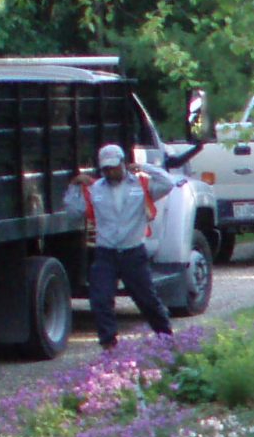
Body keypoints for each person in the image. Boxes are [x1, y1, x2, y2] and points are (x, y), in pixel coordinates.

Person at [64, 142, 179, 349]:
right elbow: (73, 214)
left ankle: (166, 338)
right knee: (100, 300)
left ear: (123, 164)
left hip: (133, 252)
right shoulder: (94, 189)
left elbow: (168, 183)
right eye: (105, 168)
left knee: (146, 300)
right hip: (105, 253)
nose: (110, 172)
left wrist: (146, 168)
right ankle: (109, 346)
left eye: (113, 167)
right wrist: (74, 187)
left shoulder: (141, 185)